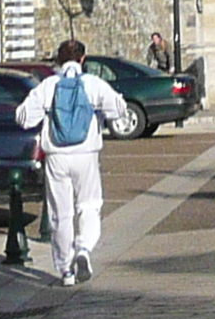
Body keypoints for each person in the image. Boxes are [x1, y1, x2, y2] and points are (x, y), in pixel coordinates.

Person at [13, 39, 133, 285]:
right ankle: (84, 249)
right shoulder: (92, 84)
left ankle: (65, 269)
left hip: (56, 156)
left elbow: (23, 118)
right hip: (86, 154)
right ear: (82, 59)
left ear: (58, 60)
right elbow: (119, 109)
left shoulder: (49, 85)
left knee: (61, 214)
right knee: (89, 205)